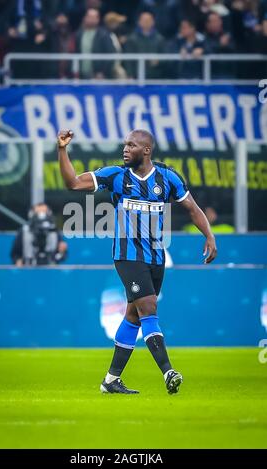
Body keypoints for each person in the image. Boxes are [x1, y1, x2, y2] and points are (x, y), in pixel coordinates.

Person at [58, 129, 217, 395]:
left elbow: (191, 208)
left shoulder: (168, 177)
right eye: (124, 145)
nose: (125, 149)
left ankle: (110, 380)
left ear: (146, 150)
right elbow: (73, 183)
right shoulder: (116, 175)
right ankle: (168, 372)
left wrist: (209, 235)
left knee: (134, 315)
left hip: (156, 256)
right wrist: (62, 150)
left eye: (131, 145)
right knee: (149, 306)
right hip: (127, 256)